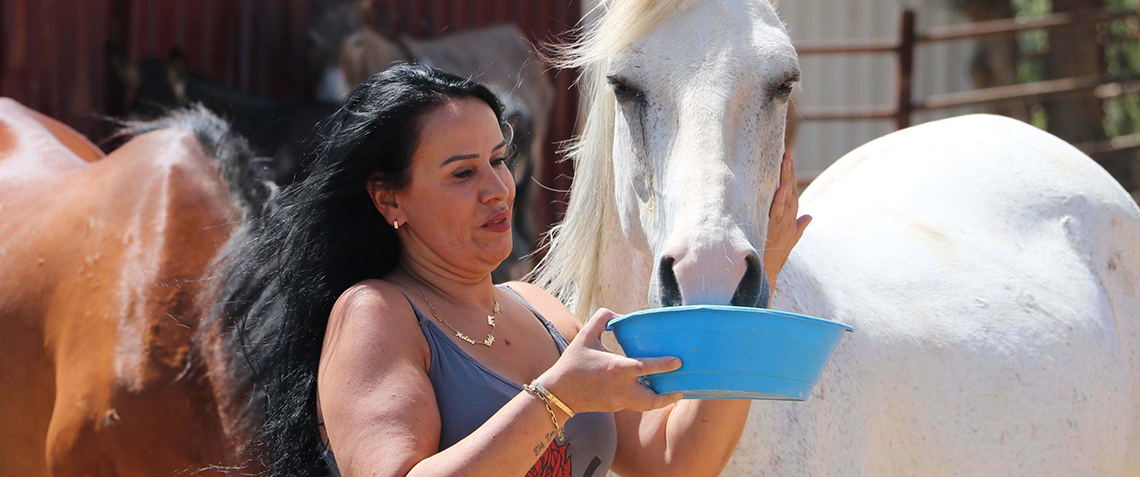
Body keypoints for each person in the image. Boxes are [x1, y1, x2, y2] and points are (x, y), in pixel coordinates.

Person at [223, 64, 810, 477]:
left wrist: (751, 302)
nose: (498, 190)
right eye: (461, 173)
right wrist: (556, 397)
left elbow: (674, 463)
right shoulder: (374, 314)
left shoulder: (543, 307)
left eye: (499, 160)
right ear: (389, 200)